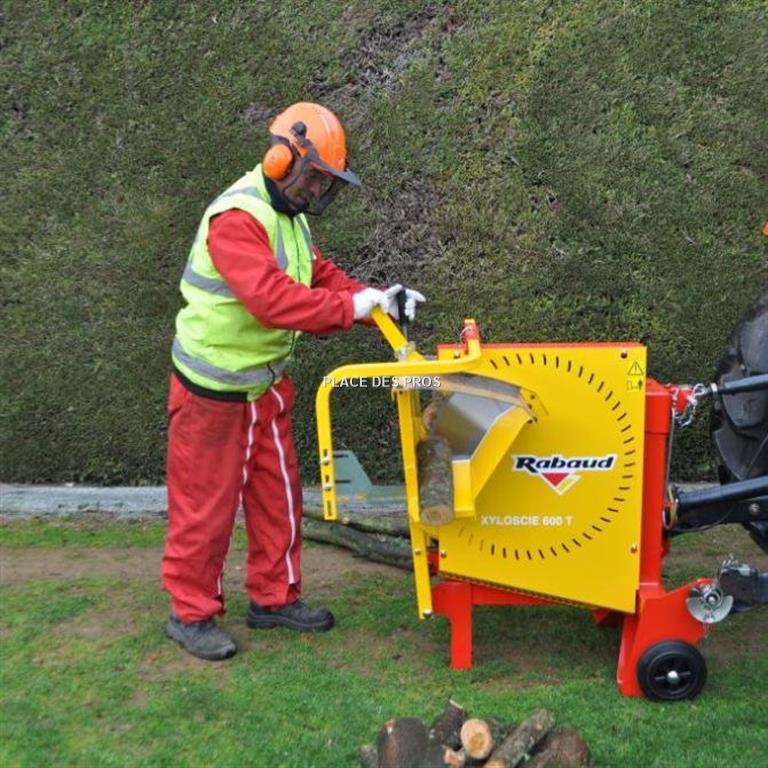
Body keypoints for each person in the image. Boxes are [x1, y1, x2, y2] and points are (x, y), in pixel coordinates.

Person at [161, 102, 425, 660]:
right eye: (313, 176)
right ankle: (190, 613)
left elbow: (318, 275)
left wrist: (376, 299)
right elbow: (271, 300)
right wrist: (349, 310)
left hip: (265, 389)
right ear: (282, 158)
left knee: (278, 498)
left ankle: (274, 598)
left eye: (325, 181)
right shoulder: (237, 219)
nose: (317, 189)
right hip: (213, 394)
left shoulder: (289, 217)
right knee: (204, 511)